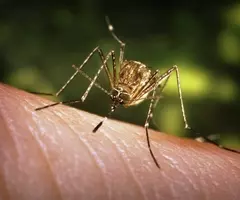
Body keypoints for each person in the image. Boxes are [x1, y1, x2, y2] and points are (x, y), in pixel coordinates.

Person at [0, 83, 239, 200]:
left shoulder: (137, 90)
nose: (114, 102)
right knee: (108, 53)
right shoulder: (116, 85)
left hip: (136, 87)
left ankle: (159, 123)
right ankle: (69, 95)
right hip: (125, 83)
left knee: (172, 69)